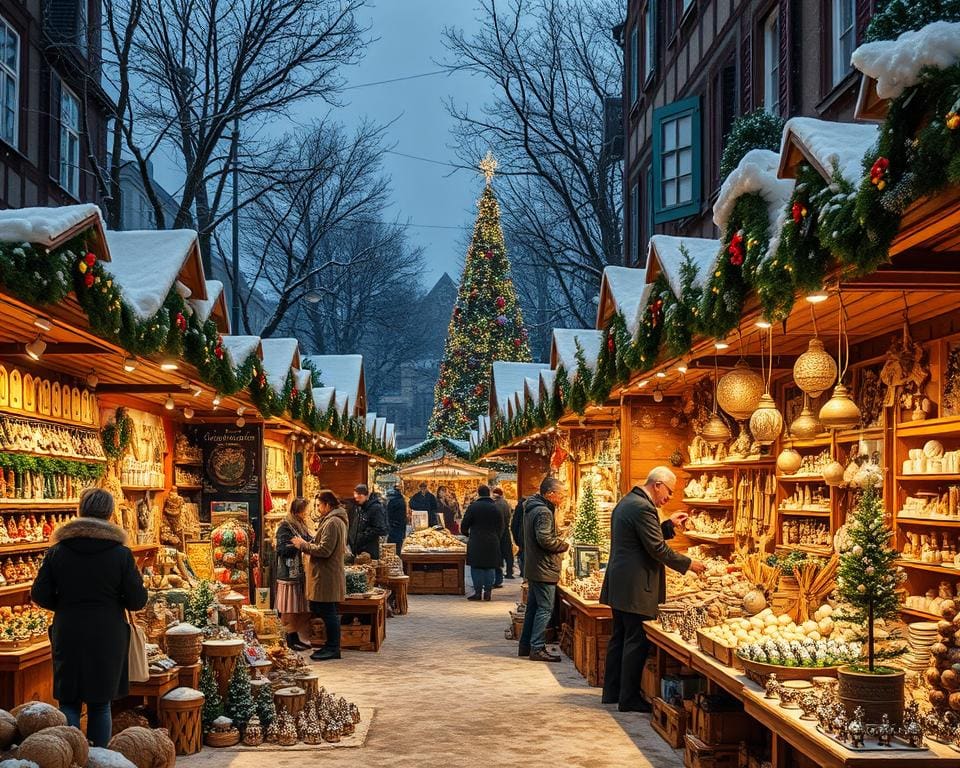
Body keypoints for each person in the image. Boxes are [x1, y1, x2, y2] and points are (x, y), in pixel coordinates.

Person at [31, 488, 148, 746]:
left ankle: (69, 756)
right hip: (107, 633)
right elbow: (137, 600)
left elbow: (39, 593)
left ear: (80, 510)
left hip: (69, 630)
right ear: (109, 513)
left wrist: (64, 605)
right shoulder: (120, 554)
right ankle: (98, 758)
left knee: (69, 702)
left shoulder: (58, 551)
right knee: (100, 703)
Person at [600, 467, 706, 712]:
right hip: (635, 585)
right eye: (669, 492)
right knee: (636, 640)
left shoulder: (630, 501)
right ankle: (628, 699)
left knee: (620, 638)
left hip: (622, 583)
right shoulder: (642, 507)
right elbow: (656, 548)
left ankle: (613, 692)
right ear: (657, 485)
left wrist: (668, 525)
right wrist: (689, 563)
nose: (669, 498)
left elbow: (643, 537)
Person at [292, 490, 348, 661]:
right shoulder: (334, 520)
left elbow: (325, 550)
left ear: (328, 505)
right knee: (325, 609)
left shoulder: (332, 522)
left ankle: (332, 648)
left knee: (328, 611)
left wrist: (303, 545)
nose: (317, 509)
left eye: (318, 505)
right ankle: (330, 646)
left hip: (326, 575)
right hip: (326, 574)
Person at [519, 477, 569, 662]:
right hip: (544, 568)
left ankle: (525, 645)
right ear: (550, 494)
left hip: (534, 566)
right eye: (561, 494)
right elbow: (545, 539)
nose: (563, 498)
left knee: (533, 607)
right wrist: (564, 545)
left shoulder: (533, 508)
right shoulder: (544, 512)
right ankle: (537, 648)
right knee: (545, 609)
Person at [274, 497, 313, 651]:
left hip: (299, 573)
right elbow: (282, 549)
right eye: (305, 511)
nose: (306, 514)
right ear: (297, 512)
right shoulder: (285, 526)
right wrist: (298, 545)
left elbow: (307, 540)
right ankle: (288, 639)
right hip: (288, 574)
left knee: (297, 607)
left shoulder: (300, 525)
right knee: (289, 608)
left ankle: (295, 636)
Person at [460, 485, 504, 601]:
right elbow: (501, 526)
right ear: (489, 493)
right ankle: (488, 591)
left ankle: (478, 592)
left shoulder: (473, 507)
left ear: (478, 494)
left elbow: (464, 525)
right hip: (492, 541)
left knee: (476, 567)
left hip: (476, 541)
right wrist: (496, 537)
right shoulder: (495, 508)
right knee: (490, 567)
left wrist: (468, 535)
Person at [350, 484, 388, 560]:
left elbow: (381, 529)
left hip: (370, 550)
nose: (357, 499)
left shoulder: (375, 508)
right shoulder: (360, 507)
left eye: (360, 497)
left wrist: (363, 536)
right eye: (356, 497)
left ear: (366, 496)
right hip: (359, 549)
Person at [491, 486, 514, 586]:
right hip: (506, 532)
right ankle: (509, 572)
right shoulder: (506, 503)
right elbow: (508, 516)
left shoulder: (494, 504)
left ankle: (498, 577)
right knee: (508, 553)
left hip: (498, 532)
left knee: (498, 554)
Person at [385, 484, 407, 553]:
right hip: (400, 527)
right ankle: (397, 559)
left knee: (391, 548)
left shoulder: (392, 501)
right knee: (398, 546)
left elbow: (389, 514)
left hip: (394, 527)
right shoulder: (402, 500)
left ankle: (393, 559)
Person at [511, 496, 526, 573]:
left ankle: (524, 573)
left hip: (522, 535)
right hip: (526, 536)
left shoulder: (520, 506)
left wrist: (516, 539)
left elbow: (514, 524)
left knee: (523, 554)